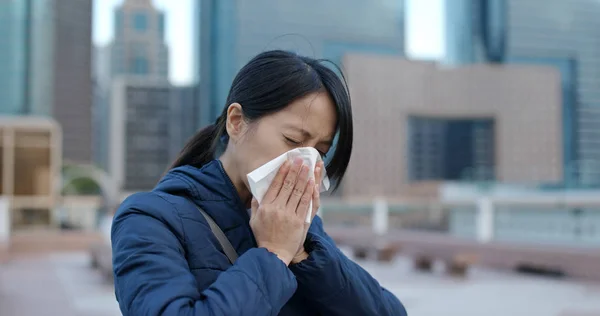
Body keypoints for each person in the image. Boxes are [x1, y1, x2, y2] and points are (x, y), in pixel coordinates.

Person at [111, 50, 407, 316]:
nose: (304, 160)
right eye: (292, 140)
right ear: (236, 122)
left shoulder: (301, 229)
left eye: (320, 152)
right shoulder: (149, 219)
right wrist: (274, 254)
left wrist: (303, 253)